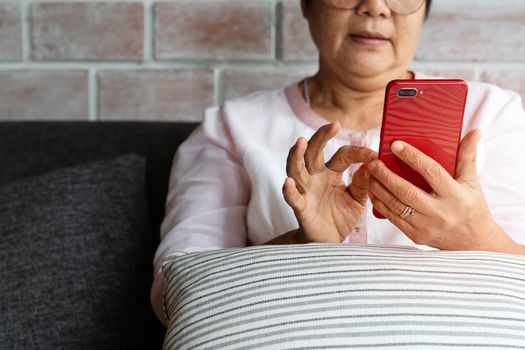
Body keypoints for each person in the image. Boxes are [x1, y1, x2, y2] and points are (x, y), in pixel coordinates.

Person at [151, 0, 525, 324]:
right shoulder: (231, 127)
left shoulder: (492, 114)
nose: (375, 6)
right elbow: (172, 293)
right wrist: (303, 241)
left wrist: (476, 236)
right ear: (305, 5)